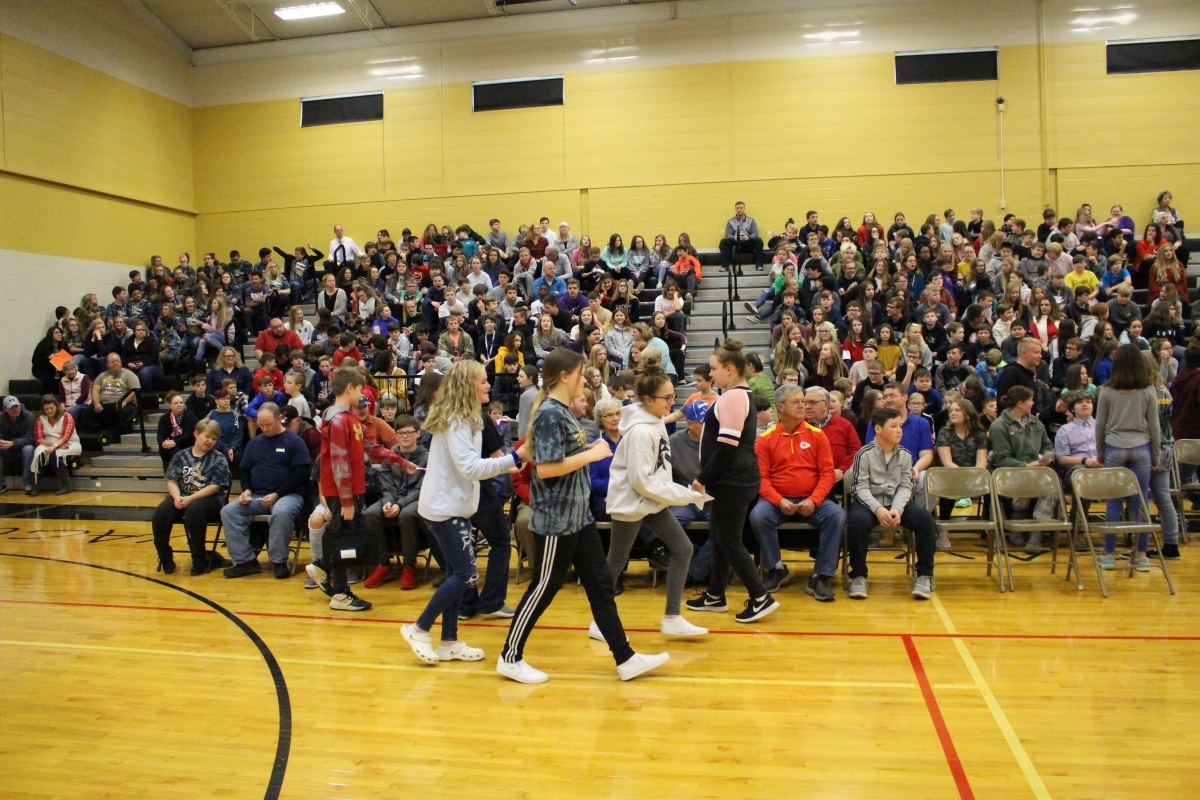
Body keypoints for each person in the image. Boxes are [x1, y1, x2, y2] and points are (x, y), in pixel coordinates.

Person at [499, 348, 669, 684]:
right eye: (580, 373)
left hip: (579, 516)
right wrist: (592, 454)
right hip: (557, 520)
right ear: (564, 376)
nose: (585, 378)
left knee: (601, 584)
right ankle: (509, 656)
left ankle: (625, 658)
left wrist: (588, 451)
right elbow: (546, 469)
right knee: (544, 588)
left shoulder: (564, 412)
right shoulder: (549, 413)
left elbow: (563, 457)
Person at [395, 361, 527, 662]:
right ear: (468, 386)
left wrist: (511, 460)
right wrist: (514, 459)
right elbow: (470, 468)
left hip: (454, 507)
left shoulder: (469, 418)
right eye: (482, 381)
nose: (488, 385)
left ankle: (449, 642)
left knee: (459, 574)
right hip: (443, 510)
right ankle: (419, 628)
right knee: (466, 574)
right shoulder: (457, 421)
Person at [603, 368, 709, 636]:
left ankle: (672, 616)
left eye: (673, 396)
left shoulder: (656, 420)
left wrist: (682, 492)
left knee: (683, 549)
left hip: (651, 501)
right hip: (631, 504)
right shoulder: (640, 433)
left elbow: (657, 474)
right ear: (648, 400)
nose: (672, 402)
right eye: (667, 397)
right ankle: (599, 621)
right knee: (616, 561)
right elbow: (641, 481)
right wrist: (685, 495)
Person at [685, 340, 780, 622]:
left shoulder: (733, 398)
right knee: (719, 536)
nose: (710, 374)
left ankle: (760, 597)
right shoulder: (736, 395)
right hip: (732, 479)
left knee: (729, 540)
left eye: (713, 369)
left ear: (729, 369)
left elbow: (727, 447)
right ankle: (715, 594)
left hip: (733, 481)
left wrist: (703, 477)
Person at [750, 384, 846, 602]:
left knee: (837, 515)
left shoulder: (818, 435)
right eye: (796, 402)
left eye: (803, 401)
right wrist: (778, 500)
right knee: (758, 516)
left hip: (813, 499)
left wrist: (814, 500)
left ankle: (822, 575)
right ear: (780, 407)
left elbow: (827, 474)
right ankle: (776, 569)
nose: (803, 406)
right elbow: (761, 478)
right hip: (776, 501)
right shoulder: (765, 439)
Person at [846, 408, 939, 600]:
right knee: (857, 522)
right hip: (869, 503)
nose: (899, 430)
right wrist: (878, 509)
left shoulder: (905, 455)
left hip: (897, 502)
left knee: (926, 520)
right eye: (893, 426)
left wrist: (896, 509)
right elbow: (860, 488)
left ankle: (924, 575)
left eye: (900, 426)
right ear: (878, 429)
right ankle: (859, 575)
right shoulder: (863, 454)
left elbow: (906, 486)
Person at [220, 403, 312, 580]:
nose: (264, 428)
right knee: (229, 511)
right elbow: (244, 470)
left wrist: (277, 494)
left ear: (280, 419)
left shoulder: (294, 442)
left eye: (268, 424)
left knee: (281, 512)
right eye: (260, 425)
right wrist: (247, 490)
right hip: (257, 496)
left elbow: (300, 474)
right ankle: (245, 561)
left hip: (288, 495)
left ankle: (278, 561)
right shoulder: (254, 443)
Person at [1094, 344, 1160, 572]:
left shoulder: (1106, 390)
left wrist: (1100, 453)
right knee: (1140, 501)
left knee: (1113, 501)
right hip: (1141, 447)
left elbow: (1100, 425)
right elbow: (1154, 426)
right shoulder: (1148, 389)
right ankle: (1141, 555)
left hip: (1114, 446)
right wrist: (1156, 455)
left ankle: (1108, 555)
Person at [151, 419, 233, 575]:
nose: (210, 441)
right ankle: (165, 556)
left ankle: (199, 559)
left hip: (211, 500)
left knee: (194, 511)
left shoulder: (219, 458)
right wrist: (177, 497)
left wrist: (190, 499)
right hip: (182, 496)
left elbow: (215, 486)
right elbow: (172, 481)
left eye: (214, 439)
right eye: (207, 436)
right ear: (196, 434)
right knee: (161, 513)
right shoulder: (180, 456)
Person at [30, 395, 79, 497]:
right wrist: (54, 445)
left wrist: (55, 446)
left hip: (69, 443)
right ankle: (35, 485)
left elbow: (66, 436)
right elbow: (39, 439)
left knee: (55, 455)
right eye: (46, 409)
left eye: (51, 408)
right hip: (49, 443)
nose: (49, 411)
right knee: (38, 453)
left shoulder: (67, 416)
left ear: (57, 406)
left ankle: (66, 486)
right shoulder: (40, 419)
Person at [155, 391, 197, 471]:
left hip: (185, 446)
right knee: (168, 450)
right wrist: (163, 443)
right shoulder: (164, 418)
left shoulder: (190, 417)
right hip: (169, 448)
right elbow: (160, 435)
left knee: (177, 451)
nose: (179, 405)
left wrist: (175, 442)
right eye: (176, 403)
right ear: (170, 405)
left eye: (181, 402)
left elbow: (188, 434)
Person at [720, 201, 764, 273]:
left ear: (744, 208)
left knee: (758, 240)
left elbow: (755, 233)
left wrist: (749, 237)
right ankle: (725, 267)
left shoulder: (751, 221)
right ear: (735, 209)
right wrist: (734, 237)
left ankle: (759, 265)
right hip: (735, 243)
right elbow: (727, 234)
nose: (739, 209)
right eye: (737, 208)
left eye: (741, 208)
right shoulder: (730, 222)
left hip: (747, 243)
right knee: (724, 242)